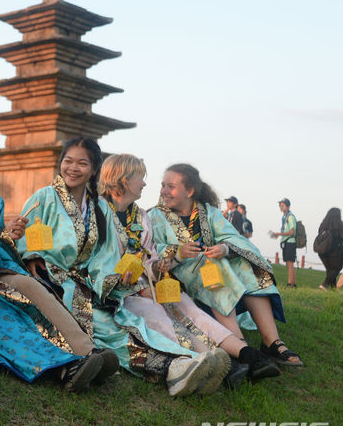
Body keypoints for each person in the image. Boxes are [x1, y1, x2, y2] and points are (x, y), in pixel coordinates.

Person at [16, 139, 226, 397]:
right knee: (108, 332)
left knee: (127, 323)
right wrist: (30, 253)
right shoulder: (45, 197)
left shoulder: (100, 207)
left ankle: (184, 361)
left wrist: (114, 278)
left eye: (82, 163)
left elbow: (104, 255)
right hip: (52, 282)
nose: (73, 168)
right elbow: (21, 235)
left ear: (94, 169)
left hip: (89, 286)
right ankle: (173, 368)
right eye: (68, 161)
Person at [0, 124, 117, 391]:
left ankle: (88, 351)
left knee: (32, 286)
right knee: (7, 315)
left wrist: (10, 236)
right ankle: (64, 366)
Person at [100, 154, 278, 384]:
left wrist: (160, 266)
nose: (147, 184)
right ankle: (219, 363)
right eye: (140, 177)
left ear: (190, 191)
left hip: (153, 284)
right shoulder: (99, 213)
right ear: (123, 179)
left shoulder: (141, 217)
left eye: (169, 186)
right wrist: (173, 255)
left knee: (189, 308)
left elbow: (150, 256)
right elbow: (96, 259)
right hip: (121, 291)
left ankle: (248, 355)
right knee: (162, 319)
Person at [149, 164, 303, 367]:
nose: (164, 191)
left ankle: (272, 342)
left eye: (171, 186)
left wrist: (224, 248)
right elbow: (152, 250)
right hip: (181, 272)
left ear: (190, 191)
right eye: (163, 185)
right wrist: (178, 251)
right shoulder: (155, 216)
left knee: (247, 264)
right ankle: (240, 345)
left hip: (212, 265)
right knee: (212, 267)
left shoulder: (209, 212)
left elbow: (234, 237)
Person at [316, 208, 343, 290]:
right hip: (335, 251)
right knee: (337, 268)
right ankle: (324, 284)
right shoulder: (339, 224)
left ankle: (333, 289)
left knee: (330, 270)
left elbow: (319, 234)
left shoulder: (323, 224)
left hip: (322, 251)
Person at [270, 198, 297, 288]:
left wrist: (279, 233)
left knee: (290, 263)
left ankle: (290, 283)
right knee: (288, 263)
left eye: (283, 205)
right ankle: (293, 283)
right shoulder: (284, 217)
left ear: (288, 206)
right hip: (286, 241)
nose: (281, 207)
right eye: (280, 206)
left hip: (290, 242)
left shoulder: (290, 217)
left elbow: (292, 232)